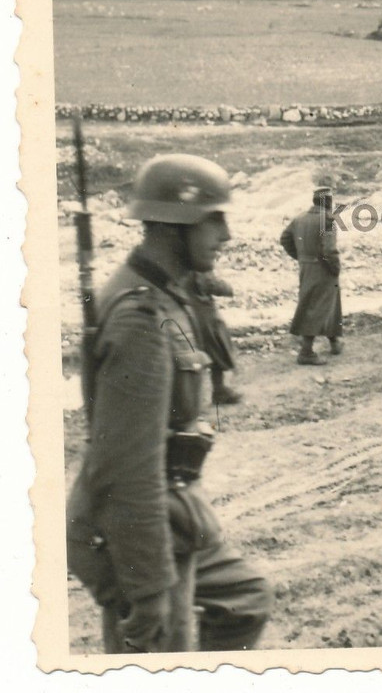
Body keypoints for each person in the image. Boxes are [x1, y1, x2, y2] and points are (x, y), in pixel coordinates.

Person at [66, 154, 272, 653]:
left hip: (174, 509)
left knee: (245, 599)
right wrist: (148, 587)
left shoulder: (167, 292)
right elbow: (129, 470)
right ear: (173, 224)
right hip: (135, 524)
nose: (225, 235)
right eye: (213, 219)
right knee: (159, 656)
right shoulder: (141, 321)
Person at [281, 185, 344, 364]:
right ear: (329, 202)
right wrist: (335, 267)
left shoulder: (299, 218)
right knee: (318, 306)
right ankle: (306, 352)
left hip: (306, 266)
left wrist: (300, 257)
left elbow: (284, 238)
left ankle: (334, 342)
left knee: (322, 303)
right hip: (323, 268)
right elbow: (329, 249)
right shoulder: (328, 220)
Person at [187, 272, 242, 404]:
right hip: (202, 313)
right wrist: (227, 288)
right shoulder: (195, 261)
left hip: (186, 312)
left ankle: (192, 397)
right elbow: (209, 283)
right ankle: (219, 390)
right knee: (216, 349)